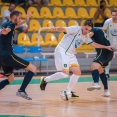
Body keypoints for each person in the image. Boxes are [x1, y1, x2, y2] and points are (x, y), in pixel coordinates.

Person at [40, 20, 115, 98]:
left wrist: (106, 47)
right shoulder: (76, 29)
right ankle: (45, 79)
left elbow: (93, 44)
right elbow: (64, 29)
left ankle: (68, 90)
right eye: (86, 29)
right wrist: (56, 29)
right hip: (62, 51)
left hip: (71, 54)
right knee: (65, 74)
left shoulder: (85, 36)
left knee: (77, 73)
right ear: (82, 26)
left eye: (89, 30)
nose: (87, 31)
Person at [0, 10, 36, 100]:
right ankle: (21, 91)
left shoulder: (5, 23)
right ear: (14, 17)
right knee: (33, 68)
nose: (20, 20)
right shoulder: (10, 25)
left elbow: (14, 26)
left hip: (2, 57)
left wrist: (25, 20)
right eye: (19, 18)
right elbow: (10, 28)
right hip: (8, 56)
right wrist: (6, 31)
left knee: (11, 79)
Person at [87, 28, 115, 97]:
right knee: (100, 70)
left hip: (103, 52)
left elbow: (90, 35)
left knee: (93, 66)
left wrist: (80, 36)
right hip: (109, 53)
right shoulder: (100, 31)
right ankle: (106, 91)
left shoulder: (94, 30)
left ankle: (96, 83)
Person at [103, 10, 117, 78]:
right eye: (113, 15)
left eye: (116, 15)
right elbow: (104, 31)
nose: (114, 17)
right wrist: (105, 41)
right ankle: (106, 73)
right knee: (109, 58)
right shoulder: (107, 22)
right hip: (110, 42)